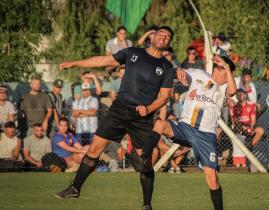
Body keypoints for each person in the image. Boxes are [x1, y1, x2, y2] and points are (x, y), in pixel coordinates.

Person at [56, 26, 175, 210]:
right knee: (94, 148)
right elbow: (103, 60)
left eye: (167, 37)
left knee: (145, 162)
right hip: (119, 109)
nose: (164, 37)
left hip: (142, 117)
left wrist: (149, 108)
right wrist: (75, 63)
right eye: (161, 34)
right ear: (153, 36)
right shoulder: (132, 52)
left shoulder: (166, 67)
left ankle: (147, 205)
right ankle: (75, 188)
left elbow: (165, 97)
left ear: (168, 43)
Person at [150, 55, 237, 210]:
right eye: (227, 72)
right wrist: (178, 71)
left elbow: (233, 90)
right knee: (159, 124)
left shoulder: (223, 88)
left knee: (212, 178)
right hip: (184, 128)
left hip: (205, 136)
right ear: (218, 69)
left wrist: (228, 67)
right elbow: (174, 72)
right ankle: (147, 155)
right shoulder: (198, 74)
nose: (229, 77)